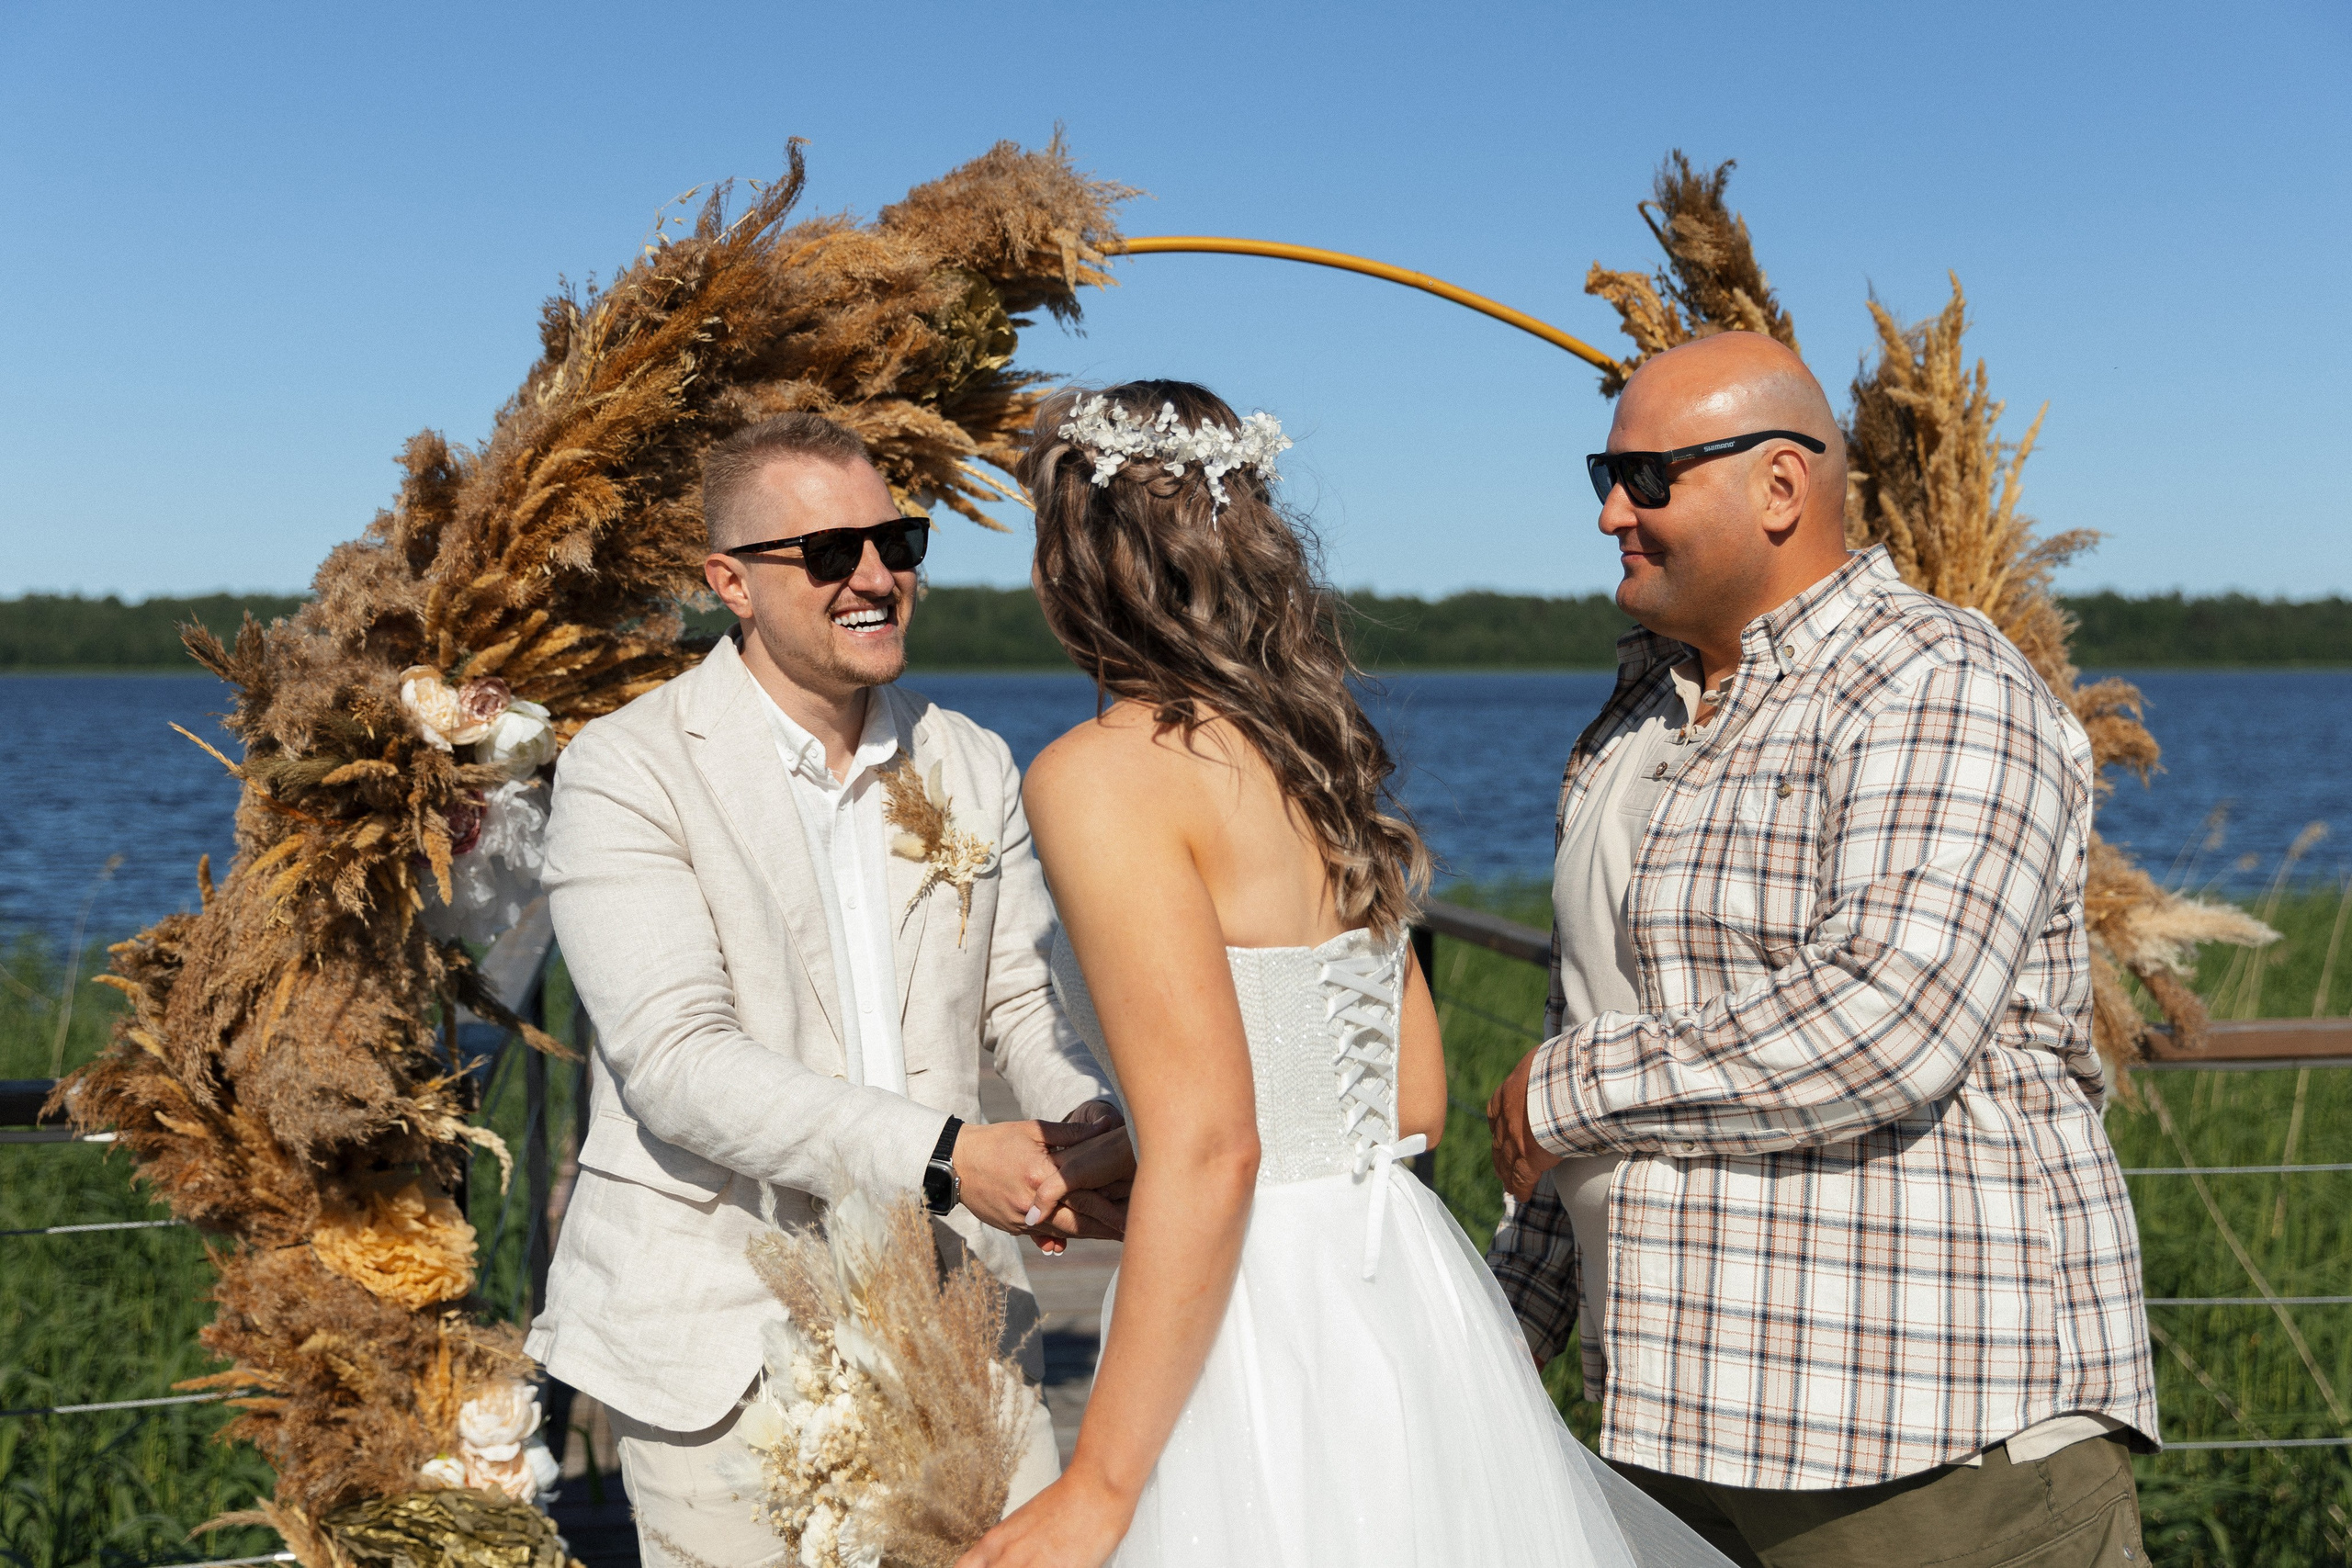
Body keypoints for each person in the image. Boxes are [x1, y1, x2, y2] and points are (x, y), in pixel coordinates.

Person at [961, 382, 1731, 1568]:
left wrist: (1099, 1491)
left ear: (1076, 558)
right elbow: (1406, 1099)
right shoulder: (1311, 755)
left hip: (1253, 1314)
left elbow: (1218, 1146)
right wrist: (1114, 1153)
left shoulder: (1096, 774)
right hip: (1403, 1288)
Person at [1483, 333, 2159, 1567]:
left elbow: (1883, 1025)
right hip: (1671, 1435)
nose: (1607, 511)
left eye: (1644, 475)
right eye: (1606, 470)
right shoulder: (1634, 718)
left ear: (1781, 488)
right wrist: (1506, 1323)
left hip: (1924, 1456)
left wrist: (1568, 1091)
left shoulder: (1939, 684)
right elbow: (1589, 1030)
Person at [528, 412, 1131, 1563]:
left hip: (956, 1320)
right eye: (827, 553)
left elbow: (1016, 999)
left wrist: (1084, 1124)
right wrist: (955, 1156)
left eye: (895, 542)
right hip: (723, 1340)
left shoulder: (972, 758)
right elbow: (676, 1063)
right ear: (730, 583)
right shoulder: (625, 766)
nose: (875, 577)